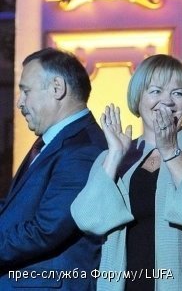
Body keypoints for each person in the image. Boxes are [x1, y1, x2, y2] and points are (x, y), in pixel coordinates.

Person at [71, 54, 182, 291]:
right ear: (138, 97)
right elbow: (87, 218)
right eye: (156, 91)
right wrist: (115, 155)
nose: (167, 101)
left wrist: (171, 151)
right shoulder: (115, 155)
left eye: (178, 93)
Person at [0, 47, 107, 290]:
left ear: (57, 88)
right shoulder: (56, 142)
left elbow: (46, 229)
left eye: (26, 91)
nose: (19, 102)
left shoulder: (83, 149)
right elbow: (18, 208)